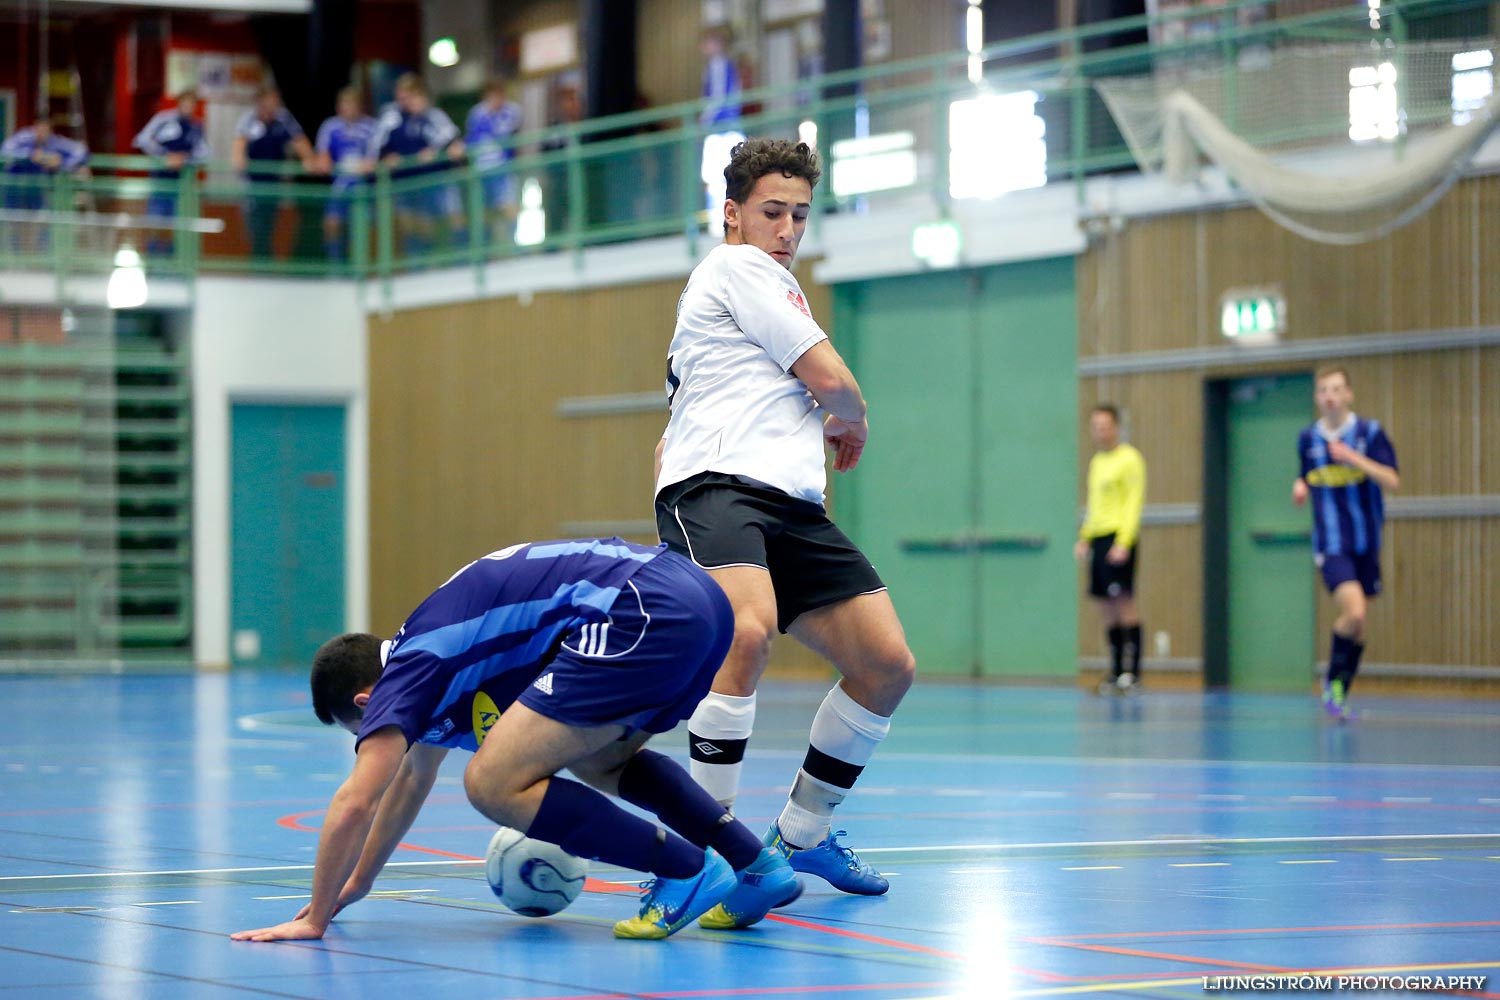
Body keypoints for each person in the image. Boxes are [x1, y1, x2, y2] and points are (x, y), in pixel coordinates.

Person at [230, 538, 801, 944]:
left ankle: (686, 869)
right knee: (601, 760)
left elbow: (357, 799)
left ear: (365, 702)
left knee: (491, 782)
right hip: (693, 601)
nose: (377, 736)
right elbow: (411, 779)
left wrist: (315, 918)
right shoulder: (433, 659)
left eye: (365, 731)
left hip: (637, 608)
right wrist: (358, 883)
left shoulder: (409, 669)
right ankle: (758, 867)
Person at [654, 138, 916, 897]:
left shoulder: (747, 293)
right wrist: (853, 420)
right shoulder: (736, 266)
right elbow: (834, 380)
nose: (788, 230)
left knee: (885, 666)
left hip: (789, 504)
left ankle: (802, 834)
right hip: (719, 491)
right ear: (732, 215)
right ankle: (711, 854)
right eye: (773, 212)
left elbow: (682, 409)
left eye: (801, 215)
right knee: (745, 629)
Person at [1292, 366, 1399, 723]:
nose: (1330, 396)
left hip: (1366, 542)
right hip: (1331, 543)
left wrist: (1355, 460)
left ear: (1349, 394)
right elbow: (1305, 474)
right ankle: (1332, 685)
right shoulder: (1308, 439)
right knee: (1354, 611)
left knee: (1360, 624)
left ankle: (1340, 692)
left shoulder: (1369, 433)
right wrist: (1301, 486)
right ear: (1317, 398)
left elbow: (1392, 479)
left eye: (1336, 389)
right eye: (1323, 390)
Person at [1073, 404, 1146, 694]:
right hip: (1100, 536)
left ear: (1116, 426)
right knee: (1105, 606)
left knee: (1124, 602)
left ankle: (1133, 671)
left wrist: (1124, 542)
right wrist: (1085, 537)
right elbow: (1094, 506)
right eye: (1096, 427)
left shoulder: (1130, 459)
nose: (1100, 432)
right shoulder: (1097, 463)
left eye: (1105, 426)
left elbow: (1133, 503)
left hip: (1119, 536)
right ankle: (1116, 670)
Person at [370, 73, 465, 258]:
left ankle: (461, 261)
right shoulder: (392, 116)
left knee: (453, 218)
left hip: (436, 179)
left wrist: (438, 152)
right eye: (403, 94)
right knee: (417, 227)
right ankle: (420, 267)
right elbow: (377, 148)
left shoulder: (434, 116)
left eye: (412, 94)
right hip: (408, 182)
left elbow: (454, 142)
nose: (407, 99)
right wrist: (387, 158)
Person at [231, 86, 313, 259]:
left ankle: (266, 260)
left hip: (274, 182)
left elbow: (300, 141)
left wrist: (309, 159)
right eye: (268, 101)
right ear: (260, 102)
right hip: (253, 183)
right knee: (254, 224)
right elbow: (239, 146)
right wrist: (239, 161)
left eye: (275, 101)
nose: (271, 105)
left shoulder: (284, 118)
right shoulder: (249, 119)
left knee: (269, 222)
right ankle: (259, 260)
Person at [133, 89, 211, 256]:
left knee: (180, 225)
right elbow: (142, 139)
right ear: (179, 102)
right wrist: (164, 156)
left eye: (191, 103)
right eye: (185, 101)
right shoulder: (163, 119)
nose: (187, 106)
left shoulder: (196, 126)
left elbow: (204, 154)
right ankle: (153, 259)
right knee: (155, 222)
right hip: (160, 182)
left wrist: (185, 159)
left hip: (183, 185)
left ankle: (177, 262)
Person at [1, 118, 89, 252]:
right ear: (34, 128)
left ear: (50, 131)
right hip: (15, 190)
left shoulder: (54, 143)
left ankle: (43, 257)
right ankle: (15, 257)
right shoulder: (23, 138)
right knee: (14, 223)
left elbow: (81, 151)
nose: (41, 133)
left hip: (39, 192)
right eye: (39, 129)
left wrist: (62, 163)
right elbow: (5, 151)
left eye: (45, 130)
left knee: (47, 221)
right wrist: (30, 155)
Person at [313, 87, 378, 262]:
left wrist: (368, 164)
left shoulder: (371, 127)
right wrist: (323, 161)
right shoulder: (330, 126)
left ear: (359, 106)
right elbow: (322, 155)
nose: (346, 108)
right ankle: (336, 265)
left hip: (363, 186)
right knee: (331, 224)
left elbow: (376, 156)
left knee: (363, 228)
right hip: (339, 186)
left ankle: (361, 267)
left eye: (350, 104)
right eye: (343, 104)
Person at [464, 77, 523, 245]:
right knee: (483, 212)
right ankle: (483, 250)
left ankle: (515, 247)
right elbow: (472, 140)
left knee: (509, 206)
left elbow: (512, 135)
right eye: (491, 97)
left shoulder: (512, 111)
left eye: (498, 96)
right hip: (482, 169)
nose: (495, 101)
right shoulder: (477, 113)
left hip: (504, 168)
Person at [698, 27, 744, 230]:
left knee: (719, 178)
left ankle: (721, 222)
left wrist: (705, 120)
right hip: (726, 127)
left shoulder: (719, 65)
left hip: (721, 129)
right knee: (724, 178)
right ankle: (724, 221)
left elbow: (719, 97)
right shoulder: (724, 66)